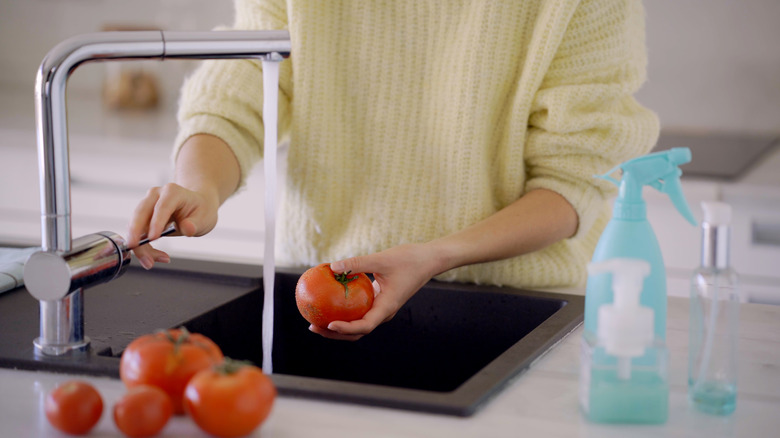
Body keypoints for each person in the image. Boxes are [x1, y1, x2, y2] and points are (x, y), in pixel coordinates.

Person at [127, 0, 659, 341]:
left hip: (518, 312)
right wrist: (200, 185)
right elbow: (242, 85)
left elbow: (572, 185)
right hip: (327, 297)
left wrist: (435, 255)